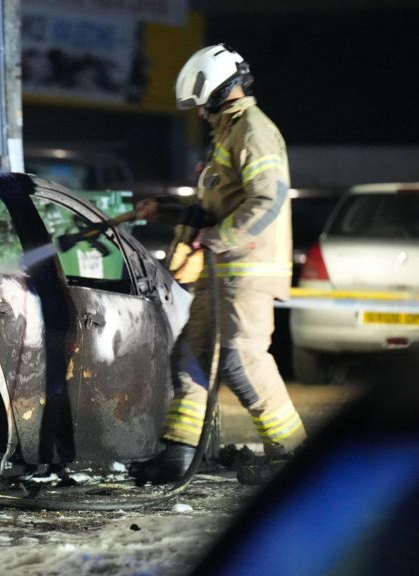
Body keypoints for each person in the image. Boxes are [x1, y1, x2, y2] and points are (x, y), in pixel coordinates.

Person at [130, 44, 306, 485]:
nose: (198, 114)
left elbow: (269, 199)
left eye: (199, 105)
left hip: (247, 271)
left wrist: (219, 238)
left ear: (214, 90)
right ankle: (178, 454)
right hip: (220, 273)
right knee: (189, 357)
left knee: (240, 359)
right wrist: (166, 210)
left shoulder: (253, 131)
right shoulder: (228, 134)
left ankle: (291, 454)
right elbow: (217, 207)